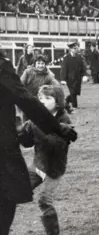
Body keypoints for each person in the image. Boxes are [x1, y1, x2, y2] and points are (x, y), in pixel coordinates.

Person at [0, 49, 77, 235]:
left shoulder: (62, 116)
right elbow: (25, 100)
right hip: (7, 148)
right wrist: (55, 128)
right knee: (5, 196)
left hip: (51, 168)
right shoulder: (2, 66)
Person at [17, 85, 72, 235]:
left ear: (58, 102)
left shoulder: (63, 119)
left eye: (47, 98)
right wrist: (21, 130)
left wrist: (35, 127)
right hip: (38, 164)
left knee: (44, 201)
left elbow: (57, 144)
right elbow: (28, 143)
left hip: (54, 169)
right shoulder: (35, 118)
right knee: (16, 190)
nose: (42, 101)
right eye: (40, 98)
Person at [60, 42, 86, 110]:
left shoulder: (79, 57)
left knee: (76, 92)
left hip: (78, 78)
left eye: (77, 48)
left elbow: (83, 67)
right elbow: (64, 69)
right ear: (70, 49)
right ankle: (75, 106)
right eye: (74, 48)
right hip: (70, 79)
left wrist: (84, 75)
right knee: (73, 92)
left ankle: (67, 100)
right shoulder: (66, 58)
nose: (76, 50)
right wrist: (63, 79)